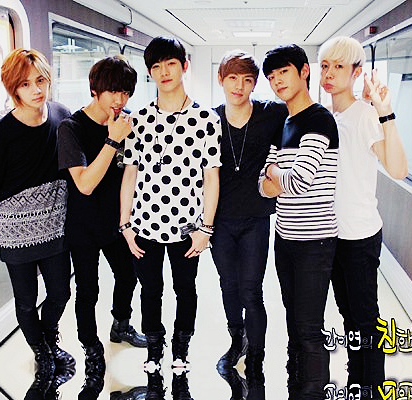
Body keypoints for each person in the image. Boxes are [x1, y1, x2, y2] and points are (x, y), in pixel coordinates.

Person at [120, 36, 221, 373]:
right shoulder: (138, 119)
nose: (164, 72)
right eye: (156, 66)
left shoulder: (206, 119)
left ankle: (181, 349)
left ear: (184, 66)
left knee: (185, 290)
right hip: (144, 224)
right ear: (150, 72)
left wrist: (206, 228)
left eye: (171, 64)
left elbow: (211, 178)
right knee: (150, 291)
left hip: (188, 226)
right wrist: (125, 225)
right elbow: (130, 174)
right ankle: (154, 348)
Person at [0, 48, 75, 396]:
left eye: (40, 80)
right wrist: (0, 227)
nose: (36, 89)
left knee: (61, 291)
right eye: (25, 84)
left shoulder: (62, 115)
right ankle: (42, 352)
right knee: (25, 299)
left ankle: (49, 337)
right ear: (13, 89)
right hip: (15, 229)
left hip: (55, 224)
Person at [318, 36, 407, 399]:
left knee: (366, 320)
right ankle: (358, 380)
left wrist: (385, 112)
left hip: (359, 236)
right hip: (330, 235)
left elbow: (398, 169)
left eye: (339, 67)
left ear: (356, 73)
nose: (329, 74)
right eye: (325, 66)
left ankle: (372, 387)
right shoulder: (323, 117)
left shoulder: (366, 114)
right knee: (348, 316)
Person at [57, 56, 146, 396]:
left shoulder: (126, 121)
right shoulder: (72, 128)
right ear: (95, 89)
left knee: (128, 276)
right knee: (88, 290)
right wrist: (112, 140)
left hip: (116, 222)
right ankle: (92, 350)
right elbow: (85, 184)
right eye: (113, 92)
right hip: (82, 225)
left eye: (125, 92)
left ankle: (120, 325)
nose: (119, 100)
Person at [258, 44, 339, 400]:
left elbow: (298, 182)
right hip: (286, 239)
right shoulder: (284, 125)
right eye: (272, 77)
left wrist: (275, 173)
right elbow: (263, 188)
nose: (277, 81)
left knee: (308, 329)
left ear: (304, 71)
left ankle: (313, 392)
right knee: (293, 322)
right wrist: (275, 176)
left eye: (284, 72)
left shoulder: (319, 119)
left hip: (315, 242)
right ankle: (297, 387)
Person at [211, 50, 288, 384]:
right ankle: (236, 340)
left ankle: (257, 355)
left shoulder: (272, 114)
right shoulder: (210, 120)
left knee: (251, 291)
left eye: (247, 80)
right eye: (232, 78)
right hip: (220, 221)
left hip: (256, 218)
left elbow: (303, 113)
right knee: (228, 286)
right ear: (221, 80)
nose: (239, 87)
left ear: (255, 84)